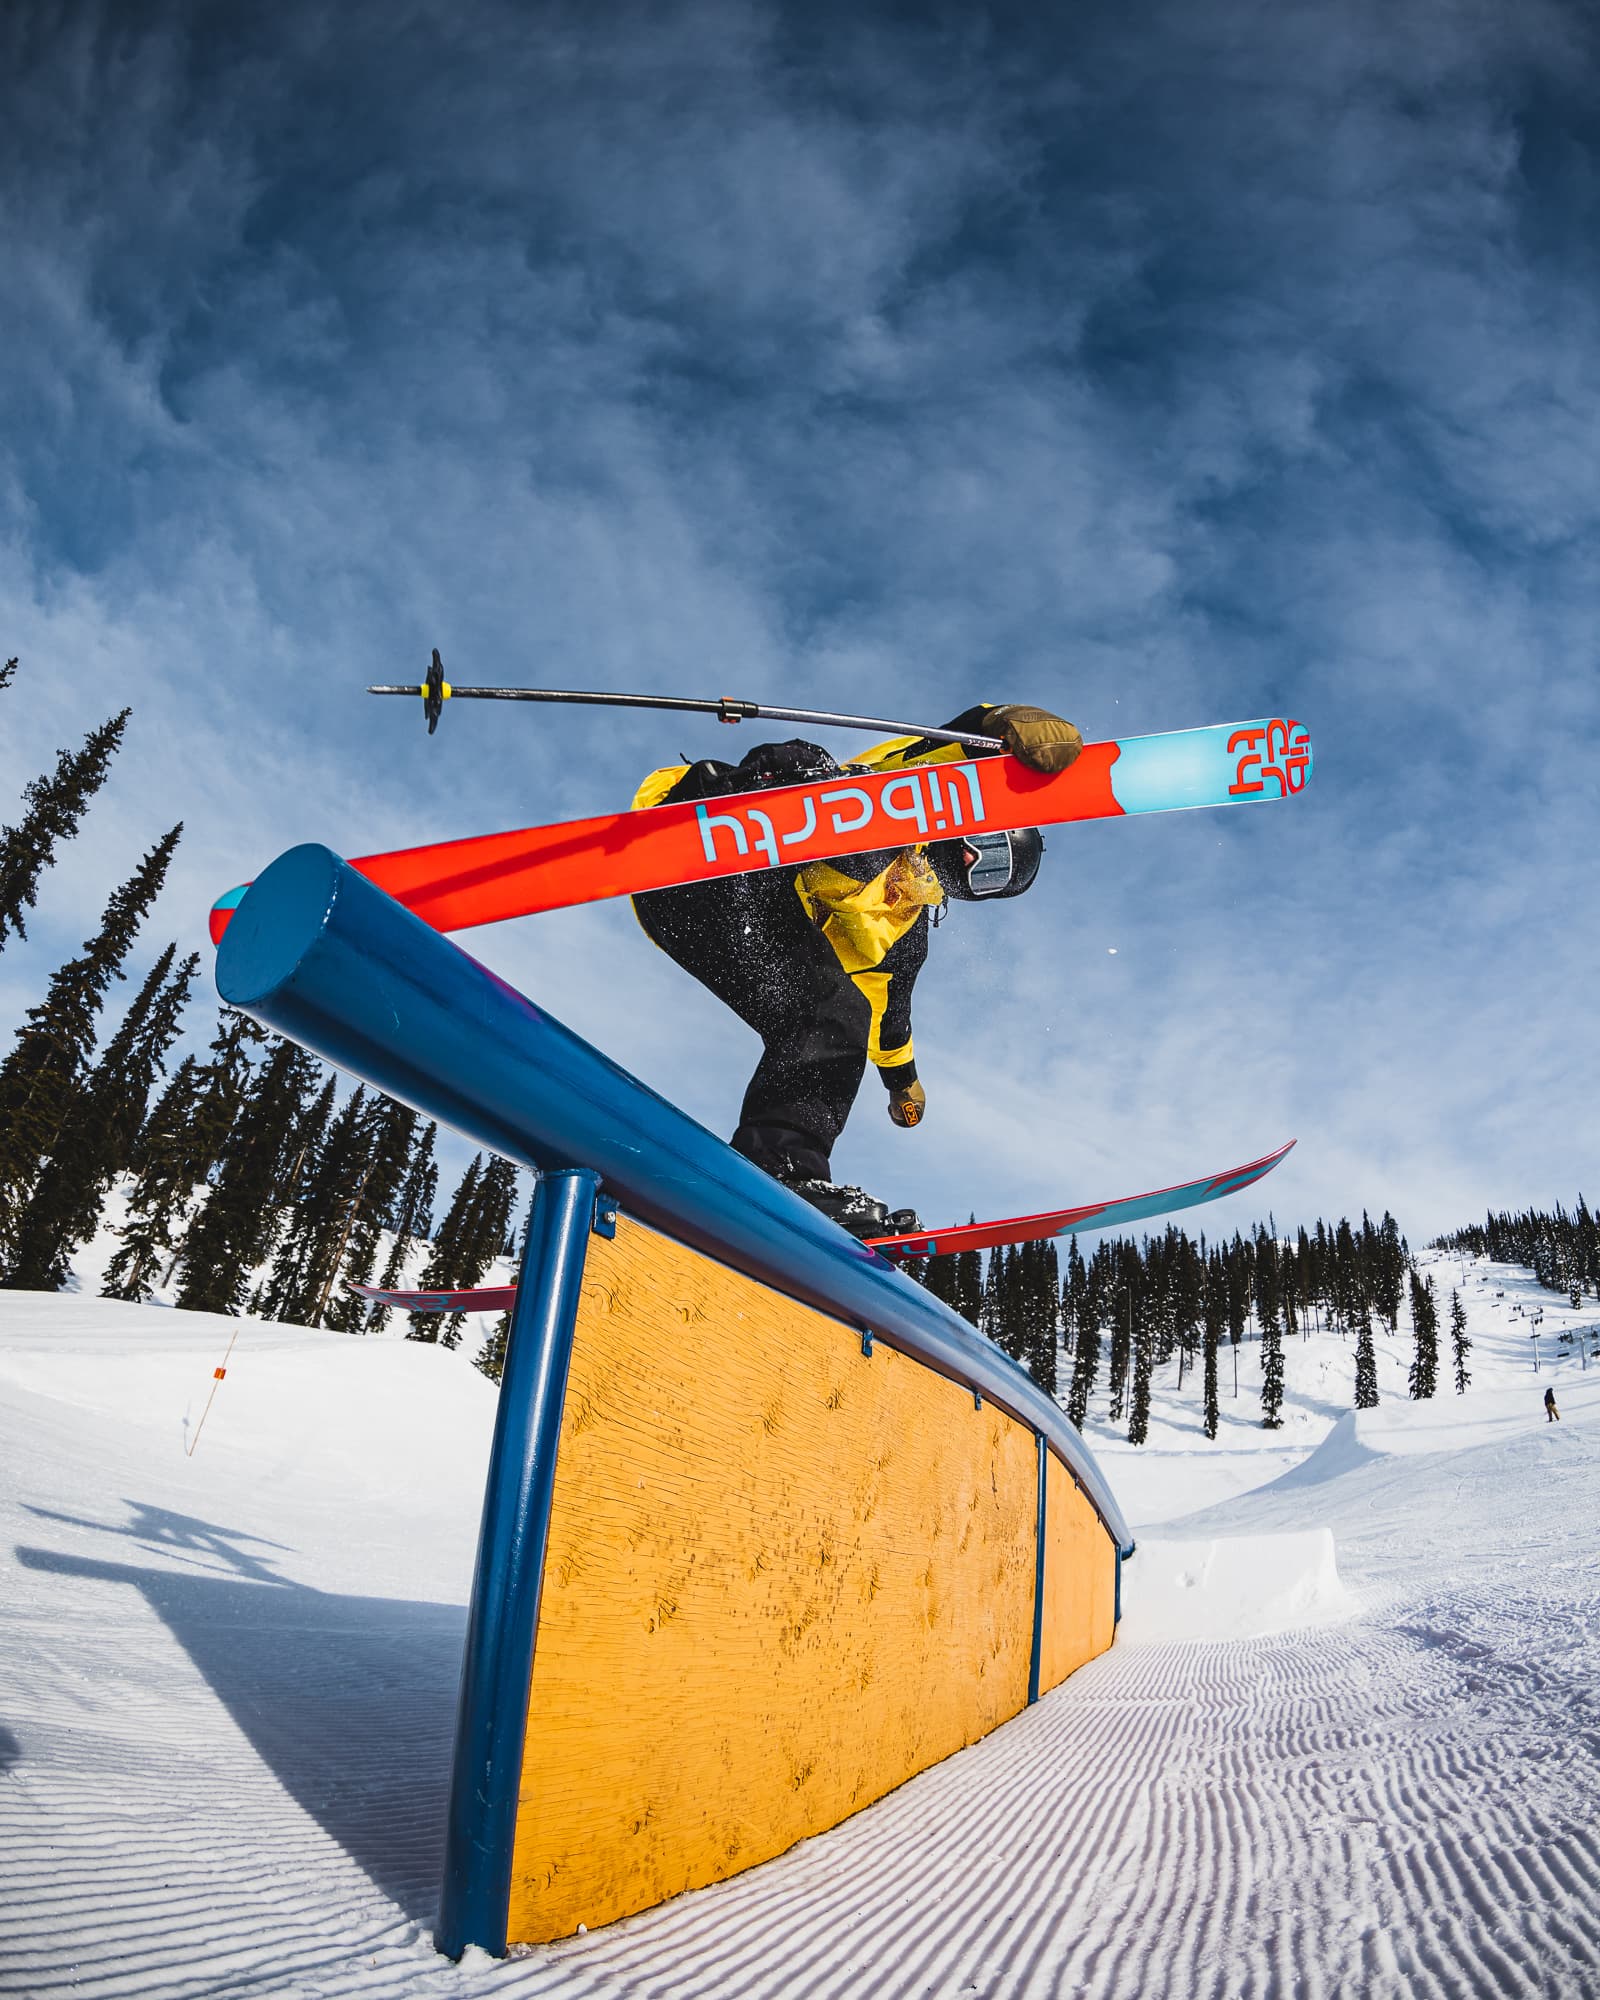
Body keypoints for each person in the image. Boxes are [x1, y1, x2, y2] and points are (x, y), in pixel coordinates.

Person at [631, 703, 1082, 1236]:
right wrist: (1004, 723)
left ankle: (780, 1169)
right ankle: (715, 800)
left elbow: (887, 1020)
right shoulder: (904, 802)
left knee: (835, 1012)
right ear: (973, 822)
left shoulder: (903, 932)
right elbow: (941, 746)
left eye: (992, 876)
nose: (971, 864)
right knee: (810, 764)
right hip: (719, 851)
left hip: (712, 918)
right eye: (988, 847)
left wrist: (902, 1082)